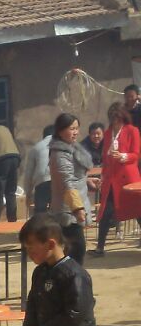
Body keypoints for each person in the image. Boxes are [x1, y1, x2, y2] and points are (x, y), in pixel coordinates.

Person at [95, 102, 141, 255]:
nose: (115, 122)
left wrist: (122, 156)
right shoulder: (108, 133)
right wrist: (103, 174)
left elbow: (136, 154)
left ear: (122, 117)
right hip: (111, 178)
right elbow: (104, 156)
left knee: (138, 210)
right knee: (106, 211)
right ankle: (100, 247)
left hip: (128, 178)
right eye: (113, 119)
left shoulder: (132, 130)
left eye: (117, 118)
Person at [48, 113, 93, 264]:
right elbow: (67, 182)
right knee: (76, 250)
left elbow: (75, 177)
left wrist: (88, 181)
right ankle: (72, 277)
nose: (76, 132)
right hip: (67, 211)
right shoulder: (60, 154)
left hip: (73, 207)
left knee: (73, 251)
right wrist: (77, 208)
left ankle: (71, 276)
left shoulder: (71, 149)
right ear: (60, 131)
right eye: (71, 129)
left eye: (77, 128)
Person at [23, 124, 54, 214]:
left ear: (44, 136)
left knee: (40, 212)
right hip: (59, 181)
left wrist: (28, 193)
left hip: (42, 181)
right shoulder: (64, 145)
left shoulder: (36, 147)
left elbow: (28, 173)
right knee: (58, 211)